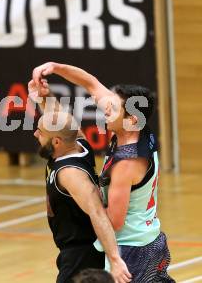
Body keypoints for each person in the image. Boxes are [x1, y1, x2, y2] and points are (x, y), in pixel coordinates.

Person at [32, 62, 175, 282]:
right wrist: (55, 67)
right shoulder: (133, 127)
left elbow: (113, 221)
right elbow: (90, 82)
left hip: (132, 247)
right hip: (148, 236)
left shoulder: (126, 164)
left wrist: (89, 196)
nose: (106, 109)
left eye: (114, 108)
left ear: (132, 120)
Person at [28, 80, 131, 283]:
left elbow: (98, 213)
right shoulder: (77, 143)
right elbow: (61, 120)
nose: (35, 134)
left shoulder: (70, 174)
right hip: (75, 250)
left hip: (82, 253)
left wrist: (115, 259)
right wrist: (44, 96)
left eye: (40, 132)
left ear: (56, 141)